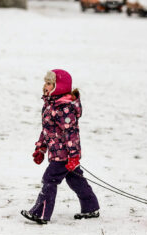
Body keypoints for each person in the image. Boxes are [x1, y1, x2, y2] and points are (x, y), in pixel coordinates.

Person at [21, 69, 100, 225]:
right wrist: (40, 149)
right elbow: (47, 130)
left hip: (64, 156)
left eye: (49, 83)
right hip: (57, 153)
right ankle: (90, 207)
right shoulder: (50, 105)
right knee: (76, 180)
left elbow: (72, 134)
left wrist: (74, 156)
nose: (45, 86)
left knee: (49, 180)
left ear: (60, 86)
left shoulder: (63, 108)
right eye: (45, 82)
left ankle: (40, 213)